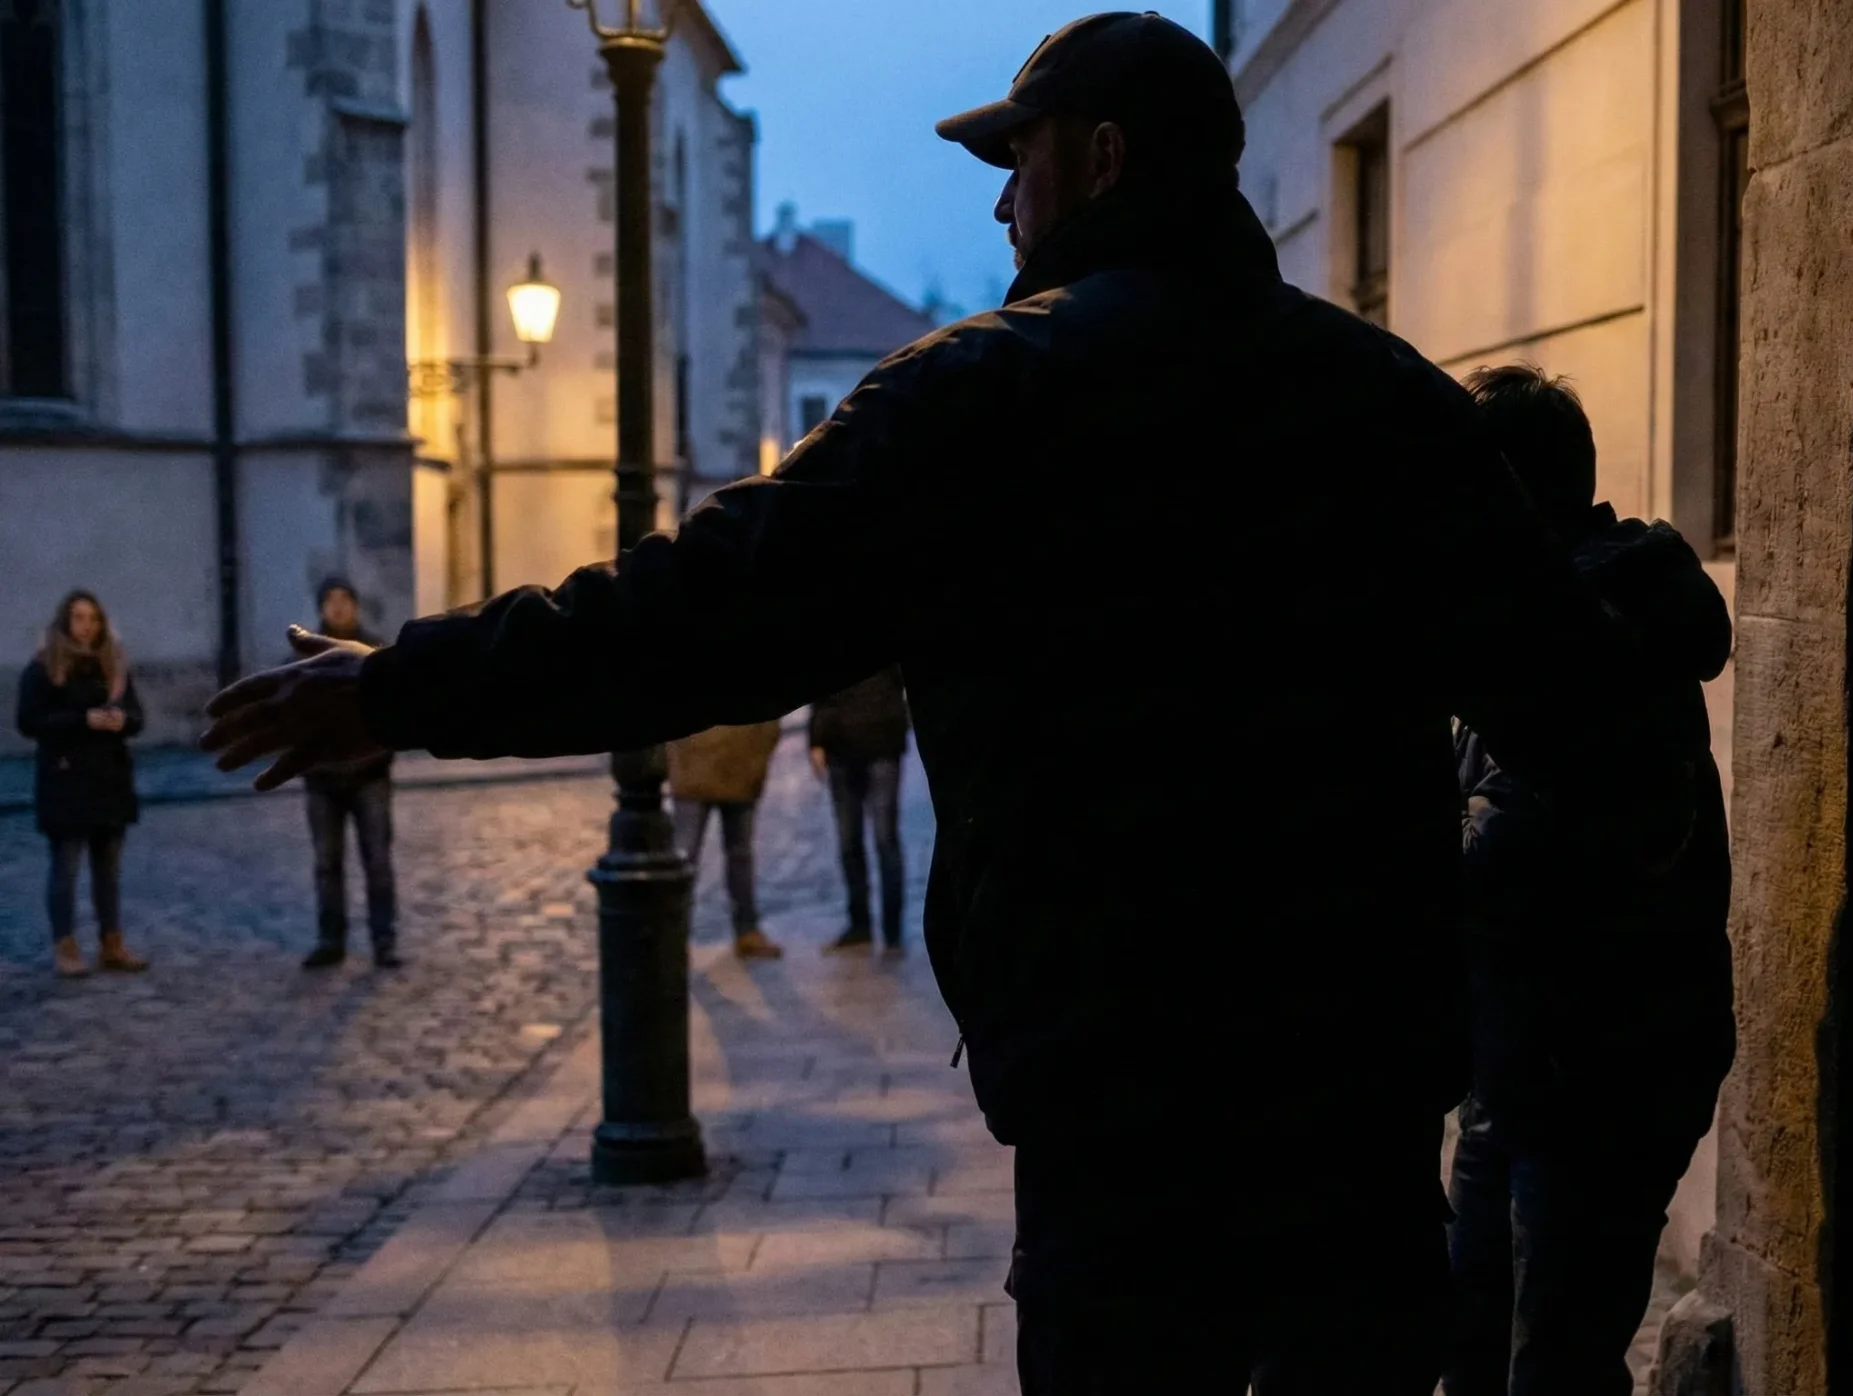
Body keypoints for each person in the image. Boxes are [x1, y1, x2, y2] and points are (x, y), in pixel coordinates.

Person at [200, 13, 1695, 1391]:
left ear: (1099, 159)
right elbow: (1584, 716)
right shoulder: (1390, 402)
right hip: (1353, 1098)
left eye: (1015, 164)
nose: (997, 207)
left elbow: (693, 618)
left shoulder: (985, 395)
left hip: (1118, 1100)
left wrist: (404, 686)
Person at [1441, 367, 1736, 1396]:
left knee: (1550, 1365)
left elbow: (1523, 842)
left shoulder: (1603, 624)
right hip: (1527, 1060)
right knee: (1474, 1338)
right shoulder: (1529, 612)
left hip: (1607, 1069)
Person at [17, 591, 150, 978]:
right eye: (79, 618)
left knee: (108, 871)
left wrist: (120, 721)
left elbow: (138, 717)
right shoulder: (44, 667)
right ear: (65, 622)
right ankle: (66, 945)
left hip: (109, 780)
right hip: (65, 781)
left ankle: (112, 942)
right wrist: (83, 720)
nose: (86, 626)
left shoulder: (114, 665)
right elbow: (30, 721)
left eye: (93, 618)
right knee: (66, 869)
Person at [300, 579, 402, 970]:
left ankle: (384, 939)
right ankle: (331, 940)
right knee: (327, 863)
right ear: (321, 608)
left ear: (357, 606)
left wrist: (381, 749)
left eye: (345, 600)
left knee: (377, 860)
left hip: (369, 775)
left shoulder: (374, 652)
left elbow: (395, 708)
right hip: (322, 780)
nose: (339, 608)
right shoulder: (305, 653)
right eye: (331, 601)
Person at [809, 668, 910, 953]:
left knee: (883, 839)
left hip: (880, 738)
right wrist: (817, 737)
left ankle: (890, 931)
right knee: (851, 841)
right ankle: (862, 925)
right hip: (844, 741)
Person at [666, 719, 785, 959]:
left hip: (738, 765)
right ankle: (675, 934)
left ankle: (742, 929)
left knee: (730, 855)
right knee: (688, 857)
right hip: (700, 769)